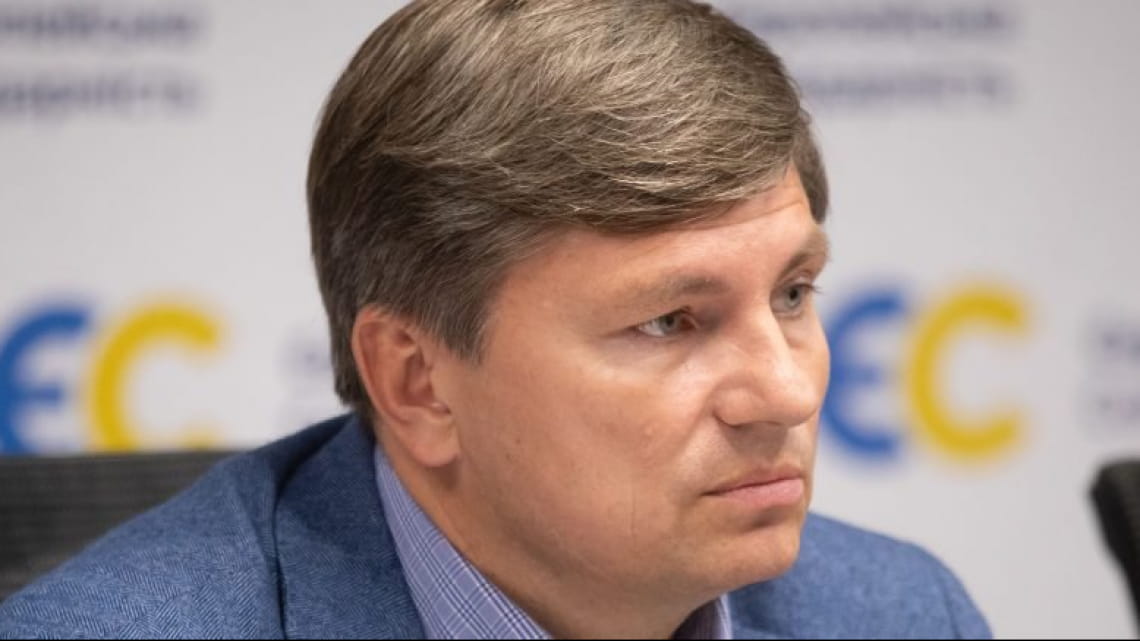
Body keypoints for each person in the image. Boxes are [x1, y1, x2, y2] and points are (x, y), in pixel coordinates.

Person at [0, 0, 991, 638]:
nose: (787, 389)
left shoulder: (902, 613)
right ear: (418, 383)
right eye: (671, 321)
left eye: (793, 293)